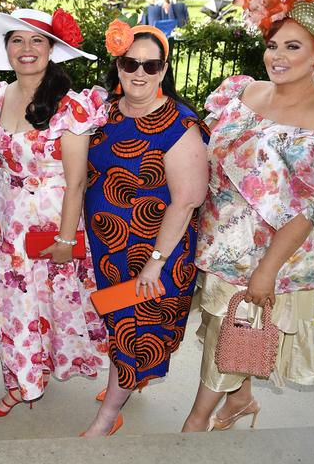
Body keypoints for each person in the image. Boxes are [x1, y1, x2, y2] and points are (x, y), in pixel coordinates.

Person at [182, 0, 314, 432]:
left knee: (229, 338)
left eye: (293, 47)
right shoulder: (243, 92)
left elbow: (307, 210)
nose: (278, 57)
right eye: (273, 45)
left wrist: (266, 269)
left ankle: (195, 424)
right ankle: (241, 401)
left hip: (269, 257)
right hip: (217, 243)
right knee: (223, 331)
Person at [0, 8, 109, 416]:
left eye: (36, 41)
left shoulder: (71, 107)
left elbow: (76, 180)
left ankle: (28, 381)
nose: (26, 49)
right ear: (6, 48)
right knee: (13, 308)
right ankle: (22, 381)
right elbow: (5, 165)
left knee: (46, 307)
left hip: (50, 226)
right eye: (17, 40)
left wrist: (64, 240)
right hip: (6, 223)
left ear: (52, 49)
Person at [82, 22, 209, 436]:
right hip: (110, 249)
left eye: (150, 65)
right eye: (129, 62)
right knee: (121, 325)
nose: (139, 73)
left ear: (164, 68)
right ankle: (123, 383)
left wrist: (154, 263)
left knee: (133, 330)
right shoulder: (105, 113)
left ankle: (107, 417)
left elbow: (187, 199)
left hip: (153, 252)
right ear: (117, 64)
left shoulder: (179, 125)